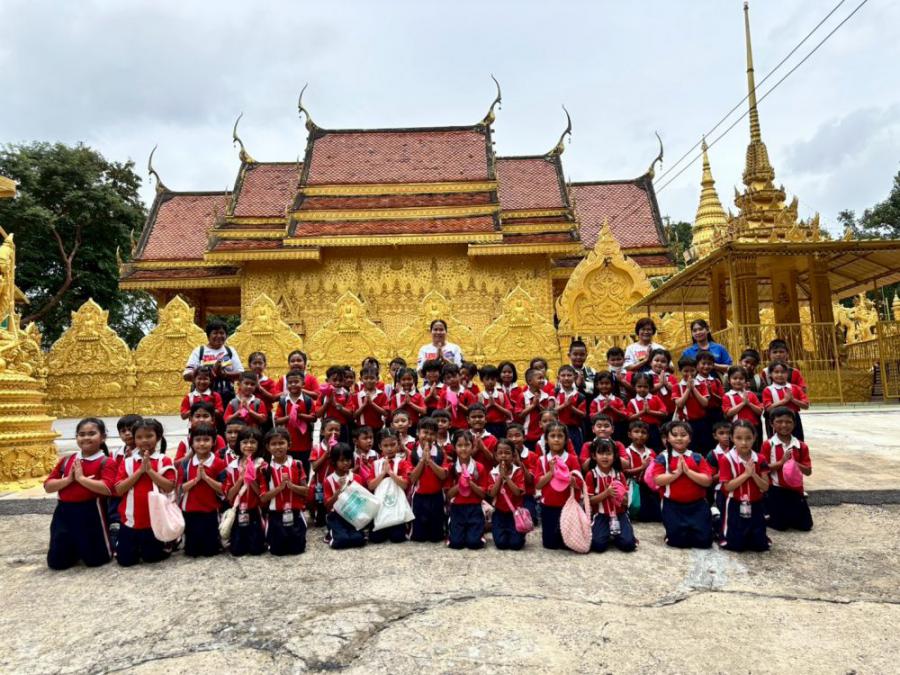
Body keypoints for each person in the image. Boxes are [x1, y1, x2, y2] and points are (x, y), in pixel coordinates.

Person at [44, 418, 117, 570]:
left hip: (91, 512)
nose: (86, 438)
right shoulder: (67, 460)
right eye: (81, 434)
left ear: (103, 437)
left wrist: (82, 479)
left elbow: (108, 489)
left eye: (92, 434)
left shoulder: (106, 462)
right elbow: (48, 486)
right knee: (57, 563)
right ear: (76, 437)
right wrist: (68, 480)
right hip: (63, 512)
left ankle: (112, 537)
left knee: (96, 561)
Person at [114, 419, 176, 566]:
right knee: (125, 561)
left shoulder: (164, 460)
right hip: (130, 520)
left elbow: (169, 487)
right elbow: (119, 490)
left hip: (155, 521)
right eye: (139, 437)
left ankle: (167, 543)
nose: (144, 440)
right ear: (134, 439)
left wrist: (150, 471)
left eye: (149, 436)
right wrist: (140, 471)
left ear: (158, 437)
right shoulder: (128, 462)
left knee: (152, 558)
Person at [651, 421, 714, 549]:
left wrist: (688, 472)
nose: (679, 438)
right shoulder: (663, 458)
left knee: (705, 542)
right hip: (672, 505)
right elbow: (657, 480)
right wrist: (677, 473)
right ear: (668, 438)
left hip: (697, 505)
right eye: (674, 435)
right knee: (677, 542)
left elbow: (707, 481)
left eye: (683, 435)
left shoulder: (697, 457)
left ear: (689, 438)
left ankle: (710, 518)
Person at [718, 420, 770, 551]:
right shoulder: (726, 459)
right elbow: (727, 487)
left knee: (760, 546)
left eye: (748, 438)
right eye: (739, 438)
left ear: (755, 437)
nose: (744, 442)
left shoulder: (760, 459)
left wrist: (753, 474)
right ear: (732, 438)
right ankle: (717, 521)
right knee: (736, 546)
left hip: (756, 504)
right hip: (734, 504)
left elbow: (765, 487)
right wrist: (746, 475)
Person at [760, 407, 813, 532]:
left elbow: (808, 471)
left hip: (796, 490)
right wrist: (781, 462)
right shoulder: (768, 444)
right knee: (781, 526)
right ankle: (765, 510)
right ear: (771, 424)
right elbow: (763, 468)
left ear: (794, 424)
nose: (784, 425)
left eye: (788, 422)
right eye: (779, 421)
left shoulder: (801, 446)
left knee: (806, 526)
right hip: (776, 490)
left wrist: (795, 464)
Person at [177, 423, 226, 558]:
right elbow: (180, 489)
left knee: (210, 551)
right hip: (190, 511)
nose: (202, 443)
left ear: (213, 442)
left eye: (206, 440)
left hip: (211, 511)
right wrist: (196, 480)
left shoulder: (219, 463)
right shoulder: (186, 464)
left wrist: (206, 478)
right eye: (198, 440)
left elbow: (224, 489)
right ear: (192, 443)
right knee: (191, 552)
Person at [534, 422, 583, 550]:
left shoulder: (572, 459)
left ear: (566, 439)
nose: (556, 439)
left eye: (560, 436)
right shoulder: (542, 460)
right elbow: (538, 485)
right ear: (546, 439)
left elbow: (579, 483)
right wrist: (551, 472)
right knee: (550, 544)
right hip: (549, 506)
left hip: (568, 507)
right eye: (552, 436)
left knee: (568, 543)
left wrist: (571, 480)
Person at [261, 427, 309, 555]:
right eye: (273, 444)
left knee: (297, 549)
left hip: (295, 513)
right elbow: (263, 498)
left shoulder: (297, 464)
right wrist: (279, 488)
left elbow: (306, 491)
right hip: (275, 515)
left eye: (281, 443)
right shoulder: (265, 469)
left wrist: (291, 486)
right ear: (268, 447)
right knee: (278, 551)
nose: (278, 447)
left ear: (289, 445)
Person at [585, 438, 637, 553]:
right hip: (601, 515)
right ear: (594, 456)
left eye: (608, 453)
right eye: (601, 453)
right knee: (598, 546)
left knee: (628, 545)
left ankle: (617, 535)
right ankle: (609, 533)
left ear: (614, 456)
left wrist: (619, 496)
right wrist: (606, 493)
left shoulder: (619, 475)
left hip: (620, 514)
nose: (605, 457)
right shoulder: (591, 475)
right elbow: (590, 501)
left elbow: (626, 501)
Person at [223, 427, 268, 556]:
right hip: (238, 511)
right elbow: (229, 496)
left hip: (255, 511)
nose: (249, 445)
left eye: (253, 442)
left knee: (256, 550)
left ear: (259, 445)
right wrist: (240, 480)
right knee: (237, 551)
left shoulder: (262, 465)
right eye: (245, 442)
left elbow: (263, 495)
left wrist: (250, 479)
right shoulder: (232, 466)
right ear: (239, 444)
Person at [183, 320, 243, 409]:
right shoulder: (199, 351)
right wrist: (206, 374)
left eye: (222, 333)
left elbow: (241, 375)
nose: (219, 336)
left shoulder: (230, 351)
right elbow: (186, 376)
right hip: (202, 398)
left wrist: (225, 375)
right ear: (208, 336)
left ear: (226, 335)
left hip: (226, 396)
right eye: (215, 333)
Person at [367, 430, 413, 544]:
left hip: (397, 507)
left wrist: (391, 473)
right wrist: (383, 473)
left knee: (397, 538)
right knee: (376, 538)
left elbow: (404, 485)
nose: (389, 448)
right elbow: (371, 486)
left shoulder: (402, 462)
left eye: (393, 445)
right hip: (381, 508)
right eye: (385, 445)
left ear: (398, 444)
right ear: (380, 446)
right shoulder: (376, 464)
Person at [446, 430, 489, 550]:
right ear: (454, 447)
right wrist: (460, 483)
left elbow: (483, 494)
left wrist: (470, 483)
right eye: (459, 445)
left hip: (474, 508)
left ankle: (480, 531)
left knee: (474, 543)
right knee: (456, 544)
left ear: (473, 446)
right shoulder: (452, 468)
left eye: (467, 445)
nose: (463, 449)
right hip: (457, 508)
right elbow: (448, 495)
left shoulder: (479, 467)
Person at [408, 418, 449, 543]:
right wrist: (422, 460)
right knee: (419, 538)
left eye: (432, 434)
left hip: (436, 496)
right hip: (419, 497)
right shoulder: (413, 454)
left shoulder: (440, 453)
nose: (428, 436)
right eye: (425, 432)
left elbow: (443, 475)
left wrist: (430, 461)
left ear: (436, 436)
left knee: (436, 537)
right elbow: (412, 478)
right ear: (417, 433)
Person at [323, 443, 368, 549]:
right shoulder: (329, 480)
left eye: (348, 460)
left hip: (352, 515)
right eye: (342, 460)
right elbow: (327, 506)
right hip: (335, 516)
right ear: (334, 461)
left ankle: (344, 532)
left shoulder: (357, 478)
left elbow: (362, 501)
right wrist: (339, 490)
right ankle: (331, 534)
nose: (346, 463)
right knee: (341, 541)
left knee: (358, 540)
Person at [273, 369, 317, 473]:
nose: (293, 384)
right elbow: (277, 420)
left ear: (303, 384)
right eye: (290, 382)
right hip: (288, 444)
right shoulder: (283, 401)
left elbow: (314, 418)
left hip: (305, 444)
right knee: (289, 470)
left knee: (304, 470)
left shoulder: (308, 400)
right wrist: (290, 417)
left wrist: (300, 415)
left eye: (296, 382)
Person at [488, 438, 526, 551]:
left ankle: (520, 535)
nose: (503, 456)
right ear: (496, 456)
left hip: (515, 512)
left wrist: (507, 478)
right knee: (501, 544)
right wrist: (500, 477)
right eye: (500, 453)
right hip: (499, 512)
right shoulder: (493, 473)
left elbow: (517, 492)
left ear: (513, 456)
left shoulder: (518, 471)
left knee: (516, 544)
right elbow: (492, 494)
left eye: (507, 453)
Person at [621, 421, 660, 522]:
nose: (640, 435)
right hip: (632, 485)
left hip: (648, 488)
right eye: (636, 432)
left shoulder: (651, 452)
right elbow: (624, 472)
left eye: (643, 432)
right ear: (629, 434)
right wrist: (642, 468)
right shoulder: (626, 452)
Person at [762, 361, 810, 441]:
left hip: (794, 418)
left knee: (797, 440)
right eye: (776, 372)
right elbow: (768, 408)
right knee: (777, 441)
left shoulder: (795, 388)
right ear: (770, 374)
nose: (780, 375)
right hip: (777, 418)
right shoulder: (768, 390)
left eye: (783, 372)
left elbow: (806, 406)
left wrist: (793, 400)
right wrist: (784, 401)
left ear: (787, 374)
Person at [309, 418, 341, 527]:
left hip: (336, 485)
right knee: (320, 518)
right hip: (321, 485)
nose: (334, 432)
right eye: (330, 430)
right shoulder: (317, 448)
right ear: (322, 432)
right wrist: (326, 454)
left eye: (337, 430)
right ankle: (317, 514)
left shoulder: (340, 447)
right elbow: (314, 467)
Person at [506, 423, 540, 526]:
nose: (514, 439)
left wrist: (519, 462)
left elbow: (530, 481)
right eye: (510, 436)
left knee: (529, 520)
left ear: (524, 438)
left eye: (517, 435)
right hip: (508, 496)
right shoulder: (503, 455)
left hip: (526, 496)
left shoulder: (532, 456)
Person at [673, 356, 709, 449]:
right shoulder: (677, 386)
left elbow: (705, 403)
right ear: (680, 371)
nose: (689, 374)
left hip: (702, 421)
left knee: (704, 447)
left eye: (692, 371)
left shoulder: (702, 384)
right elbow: (679, 404)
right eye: (685, 371)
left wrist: (693, 388)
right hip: (686, 423)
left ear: (696, 369)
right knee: (690, 447)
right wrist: (688, 389)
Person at [625, 372, 667, 451]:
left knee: (655, 449)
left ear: (650, 387)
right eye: (639, 386)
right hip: (639, 430)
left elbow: (664, 413)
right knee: (640, 448)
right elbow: (629, 418)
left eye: (645, 387)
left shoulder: (655, 398)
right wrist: (642, 412)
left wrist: (649, 411)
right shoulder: (632, 402)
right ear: (634, 387)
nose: (642, 389)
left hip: (654, 429)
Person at [722, 366, 763, 443]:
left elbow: (760, 412)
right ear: (729, 380)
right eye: (735, 378)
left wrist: (749, 404)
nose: (738, 381)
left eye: (741, 378)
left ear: (746, 381)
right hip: (736, 427)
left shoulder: (751, 394)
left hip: (753, 426)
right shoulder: (727, 396)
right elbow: (728, 413)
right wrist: (743, 403)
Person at [516, 367, 553, 450]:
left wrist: (538, 405)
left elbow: (548, 414)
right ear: (530, 381)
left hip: (544, 435)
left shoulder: (546, 396)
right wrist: (533, 406)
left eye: (543, 378)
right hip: (528, 435)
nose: (542, 380)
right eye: (539, 378)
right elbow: (519, 415)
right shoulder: (523, 396)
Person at [316, 365, 353, 443]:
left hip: (342, 427)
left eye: (340, 380)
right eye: (334, 380)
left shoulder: (346, 394)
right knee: (326, 447)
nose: (337, 383)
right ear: (327, 380)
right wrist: (327, 403)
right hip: (326, 427)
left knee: (342, 449)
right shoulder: (323, 394)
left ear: (344, 381)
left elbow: (350, 414)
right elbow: (318, 414)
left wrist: (335, 405)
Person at [555, 365, 588, 452]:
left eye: (569, 375)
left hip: (574, 429)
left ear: (575, 377)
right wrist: (564, 405)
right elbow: (550, 411)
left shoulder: (580, 396)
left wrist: (571, 408)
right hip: (557, 428)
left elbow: (583, 414)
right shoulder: (555, 392)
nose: (566, 378)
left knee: (575, 452)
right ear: (558, 378)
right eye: (563, 375)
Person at [478, 364, 514, 439]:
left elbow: (509, 413)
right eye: (487, 379)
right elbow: (477, 414)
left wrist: (495, 405)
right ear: (482, 380)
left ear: (496, 379)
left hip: (501, 427)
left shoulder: (501, 395)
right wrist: (488, 405)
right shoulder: (479, 396)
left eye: (492, 379)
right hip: (485, 426)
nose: (490, 382)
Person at [590, 372, 627, 444]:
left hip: (617, 428)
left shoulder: (617, 400)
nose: (604, 386)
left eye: (607, 383)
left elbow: (625, 415)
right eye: (601, 383)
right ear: (597, 385)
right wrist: (604, 408)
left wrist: (612, 408)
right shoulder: (595, 401)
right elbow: (592, 418)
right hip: (600, 429)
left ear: (612, 385)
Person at [351, 366, 388, 434]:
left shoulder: (382, 394)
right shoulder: (356, 396)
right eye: (366, 378)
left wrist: (372, 404)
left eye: (372, 378)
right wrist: (364, 405)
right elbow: (354, 415)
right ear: (361, 379)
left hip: (378, 428)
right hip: (361, 429)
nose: (369, 381)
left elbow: (386, 413)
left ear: (377, 379)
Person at [438, 363, 476, 430]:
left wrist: (459, 404)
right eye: (448, 378)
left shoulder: (467, 393)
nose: (452, 379)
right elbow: (439, 413)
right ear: (444, 380)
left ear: (459, 376)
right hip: (448, 427)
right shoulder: (444, 394)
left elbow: (472, 412)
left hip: (464, 426)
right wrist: (451, 406)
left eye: (454, 376)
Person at [467, 403, 498, 470]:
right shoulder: (464, 437)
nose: (477, 419)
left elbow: (495, 461)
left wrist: (483, 448)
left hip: (487, 474)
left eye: (480, 416)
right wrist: (475, 449)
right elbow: (462, 460)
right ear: (468, 420)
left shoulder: (492, 439)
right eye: (473, 417)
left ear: (486, 419)